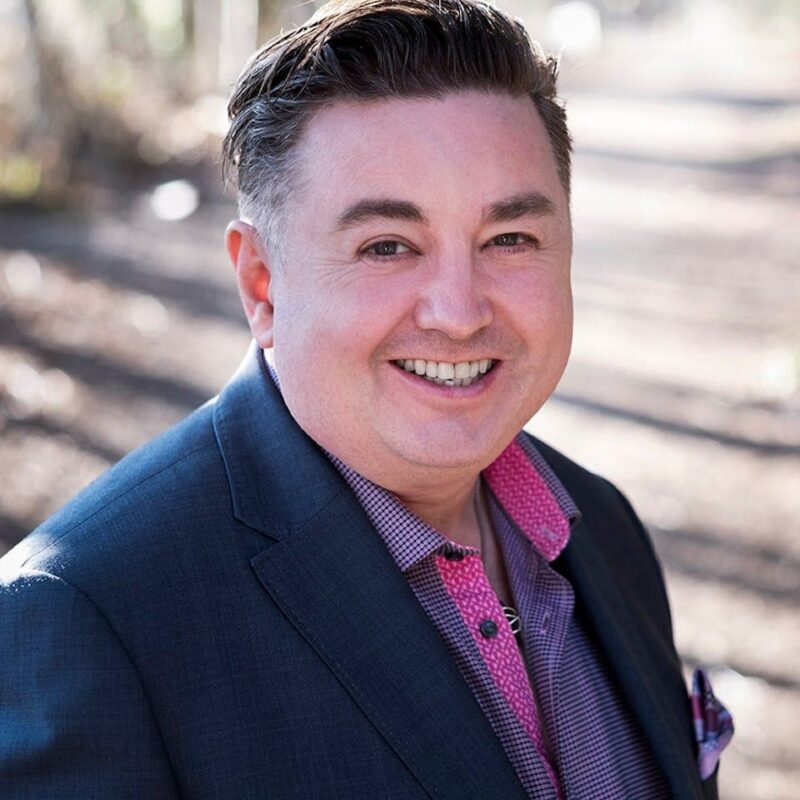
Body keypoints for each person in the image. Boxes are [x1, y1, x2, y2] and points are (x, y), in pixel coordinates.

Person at [0, 1, 732, 798]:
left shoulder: (606, 526)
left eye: (509, 240)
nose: (459, 311)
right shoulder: (84, 619)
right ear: (262, 284)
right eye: (387, 246)